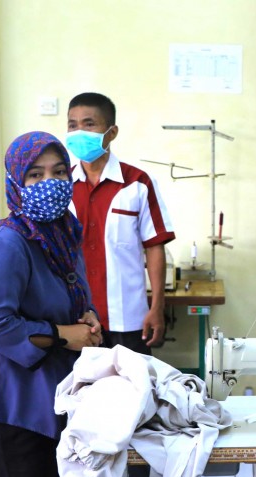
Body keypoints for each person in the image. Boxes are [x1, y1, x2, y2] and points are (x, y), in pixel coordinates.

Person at [0, 131, 102, 477]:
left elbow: (71, 297)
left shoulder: (62, 235)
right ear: (16, 182)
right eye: (35, 175)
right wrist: (64, 333)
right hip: (15, 408)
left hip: (53, 400)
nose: (50, 183)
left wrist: (89, 317)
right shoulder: (9, 243)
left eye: (59, 172)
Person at [66, 92, 175, 355]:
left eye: (89, 124)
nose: (80, 132)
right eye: (72, 125)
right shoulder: (62, 186)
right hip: (75, 320)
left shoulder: (138, 183)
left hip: (128, 319)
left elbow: (154, 246)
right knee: (78, 383)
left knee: (132, 381)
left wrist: (157, 307)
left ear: (112, 132)